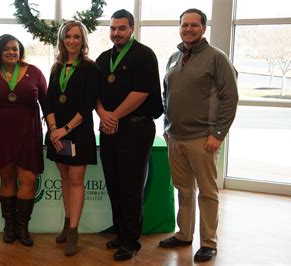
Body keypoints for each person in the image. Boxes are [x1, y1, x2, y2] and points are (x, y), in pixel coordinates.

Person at [158, 8, 238, 263]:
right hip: (176, 137)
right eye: (184, 25)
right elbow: (166, 93)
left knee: (207, 192)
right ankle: (183, 234)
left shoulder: (217, 58)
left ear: (203, 28)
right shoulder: (174, 57)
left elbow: (230, 98)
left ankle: (208, 242)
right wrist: (167, 124)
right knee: (183, 189)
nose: (188, 29)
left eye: (194, 25)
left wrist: (218, 134)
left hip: (203, 138)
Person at [95, 9, 164, 261]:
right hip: (109, 128)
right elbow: (95, 95)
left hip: (136, 128)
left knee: (131, 185)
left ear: (131, 29)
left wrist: (114, 116)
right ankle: (120, 233)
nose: (116, 33)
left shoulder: (144, 55)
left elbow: (142, 92)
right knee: (113, 183)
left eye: (121, 28)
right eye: (112, 29)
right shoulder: (103, 59)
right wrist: (104, 115)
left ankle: (131, 241)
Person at [0, 34, 47, 247]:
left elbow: (48, 104)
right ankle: (10, 226)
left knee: (29, 179)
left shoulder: (35, 73)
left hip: (28, 135)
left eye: (15, 48)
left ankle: (23, 227)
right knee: (7, 179)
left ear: (20, 51)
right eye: (6, 49)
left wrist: (55, 129)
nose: (11, 52)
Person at [43, 21, 98, 256]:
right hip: (57, 133)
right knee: (64, 178)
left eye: (77, 36)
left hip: (78, 132)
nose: (72, 41)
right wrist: (54, 129)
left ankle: (74, 231)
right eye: (68, 36)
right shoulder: (56, 67)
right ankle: (67, 223)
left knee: (76, 180)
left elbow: (88, 105)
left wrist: (64, 129)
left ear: (83, 40)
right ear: (62, 39)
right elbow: (49, 100)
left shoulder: (89, 67)